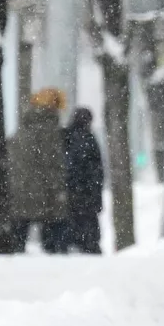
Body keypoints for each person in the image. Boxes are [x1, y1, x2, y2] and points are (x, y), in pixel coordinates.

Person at [8, 88, 68, 253]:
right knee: (53, 240)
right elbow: (53, 165)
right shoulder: (51, 132)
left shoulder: (22, 129)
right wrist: (58, 189)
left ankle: (15, 254)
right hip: (45, 193)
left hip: (19, 191)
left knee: (19, 234)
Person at [63, 107, 104, 254]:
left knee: (70, 228)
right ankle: (88, 247)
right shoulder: (89, 140)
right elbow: (97, 172)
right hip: (86, 195)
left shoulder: (65, 137)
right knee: (88, 229)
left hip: (69, 194)